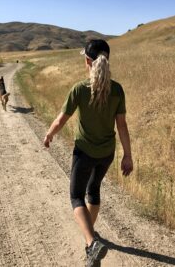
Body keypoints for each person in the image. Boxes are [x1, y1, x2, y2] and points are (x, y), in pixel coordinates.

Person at [44, 39, 133, 267]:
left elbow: (61, 119)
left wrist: (49, 135)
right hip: (107, 154)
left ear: (87, 61)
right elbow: (122, 126)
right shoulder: (117, 89)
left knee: (76, 196)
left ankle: (92, 242)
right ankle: (90, 240)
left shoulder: (80, 90)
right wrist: (127, 155)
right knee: (93, 190)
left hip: (84, 153)